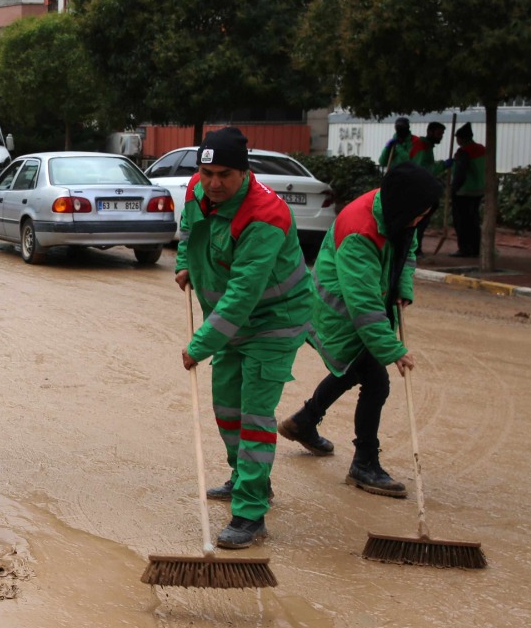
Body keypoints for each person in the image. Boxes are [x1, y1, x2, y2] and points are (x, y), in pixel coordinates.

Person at [175, 127, 314, 550]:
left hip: (274, 321)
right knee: (226, 408)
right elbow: (189, 232)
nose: (213, 183)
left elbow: (241, 295)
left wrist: (199, 345)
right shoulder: (198, 190)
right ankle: (247, 478)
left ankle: (250, 512)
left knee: (254, 416)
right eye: (206, 172)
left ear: (244, 172)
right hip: (229, 324)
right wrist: (184, 263)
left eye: (224, 175)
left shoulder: (265, 216)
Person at [278, 162, 443, 496]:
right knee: (376, 381)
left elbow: (406, 250)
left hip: (361, 309)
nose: (418, 222)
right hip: (338, 314)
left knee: (352, 371)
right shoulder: (360, 231)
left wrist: (403, 287)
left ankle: (304, 421)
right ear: (403, 207)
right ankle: (364, 464)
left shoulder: (397, 213)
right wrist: (392, 350)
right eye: (417, 215)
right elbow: (364, 306)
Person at [447, 123, 487, 258]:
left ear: (461, 138)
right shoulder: (482, 149)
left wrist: (453, 189)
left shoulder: (464, 152)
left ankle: (464, 248)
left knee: (461, 221)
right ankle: (476, 247)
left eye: (457, 138)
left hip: (464, 191)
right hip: (479, 190)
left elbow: (460, 174)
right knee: (474, 220)